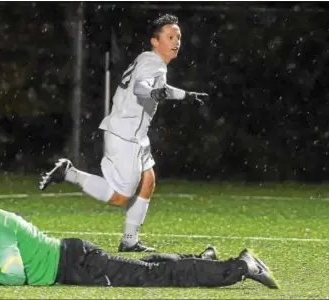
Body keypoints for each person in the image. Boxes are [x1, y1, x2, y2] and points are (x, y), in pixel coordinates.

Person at [39, 14, 210, 252]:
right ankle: (70, 173)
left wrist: (185, 95)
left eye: (178, 37)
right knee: (120, 197)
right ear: (155, 40)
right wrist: (151, 93)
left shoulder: (148, 59)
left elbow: (155, 87)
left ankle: (129, 240)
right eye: (170, 36)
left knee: (148, 181)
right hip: (125, 136)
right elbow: (143, 88)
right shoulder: (154, 64)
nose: (176, 41)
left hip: (135, 135)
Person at [0, 175, 278, 289]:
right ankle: (199, 259)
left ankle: (240, 266)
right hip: (75, 260)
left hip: (78, 265)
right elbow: (12, 267)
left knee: (154, 277)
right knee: (149, 269)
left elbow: (14, 278)